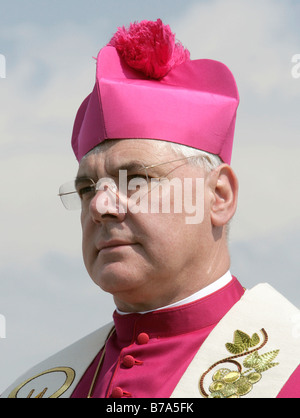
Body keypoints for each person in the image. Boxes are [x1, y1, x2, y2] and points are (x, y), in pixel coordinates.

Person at [2, 19, 299, 399]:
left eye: (137, 179)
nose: (100, 205)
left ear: (219, 196)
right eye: (87, 188)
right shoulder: (35, 389)